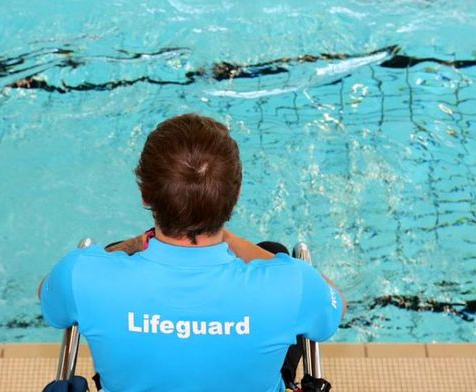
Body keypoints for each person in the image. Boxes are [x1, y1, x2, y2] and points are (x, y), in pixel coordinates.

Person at [38, 114, 345, 392]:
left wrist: (135, 243)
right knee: (275, 252)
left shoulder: (83, 275)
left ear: (145, 194)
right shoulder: (292, 284)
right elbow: (335, 306)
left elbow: (48, 297)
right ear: (234, 197)